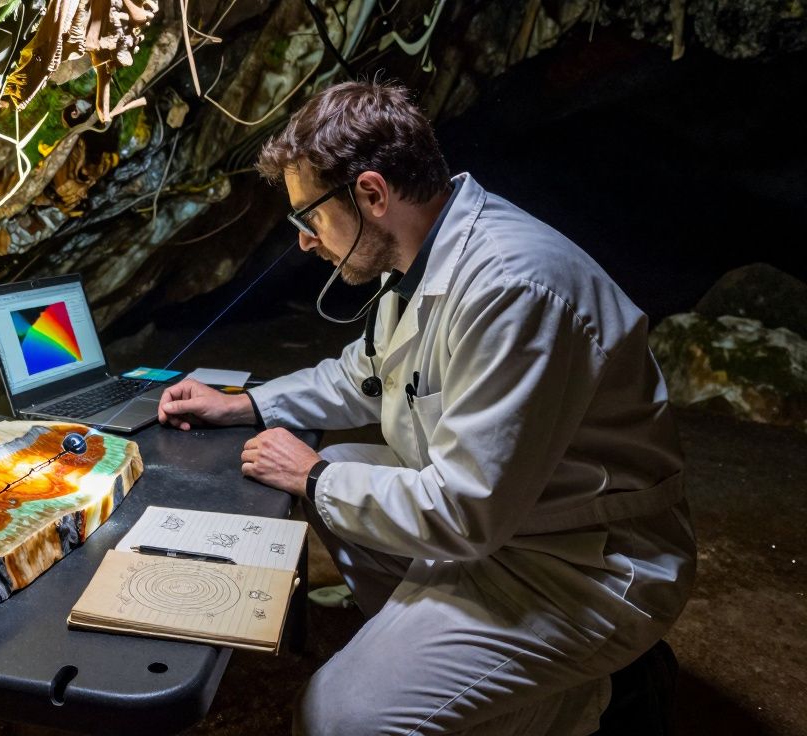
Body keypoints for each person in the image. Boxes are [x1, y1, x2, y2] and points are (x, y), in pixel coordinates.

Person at [157, 81, 696, 735]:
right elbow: (360, 377)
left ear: (373, 194)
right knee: (340, 459)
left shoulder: (514, 288)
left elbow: (468, 513)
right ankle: (438, 658)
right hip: (520, 525)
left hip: (581, 564)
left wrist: (315, 478)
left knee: (336, 719)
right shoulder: (420, 257)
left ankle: (595, 693)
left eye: (310, 217)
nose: (304, 240)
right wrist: (244, 404)